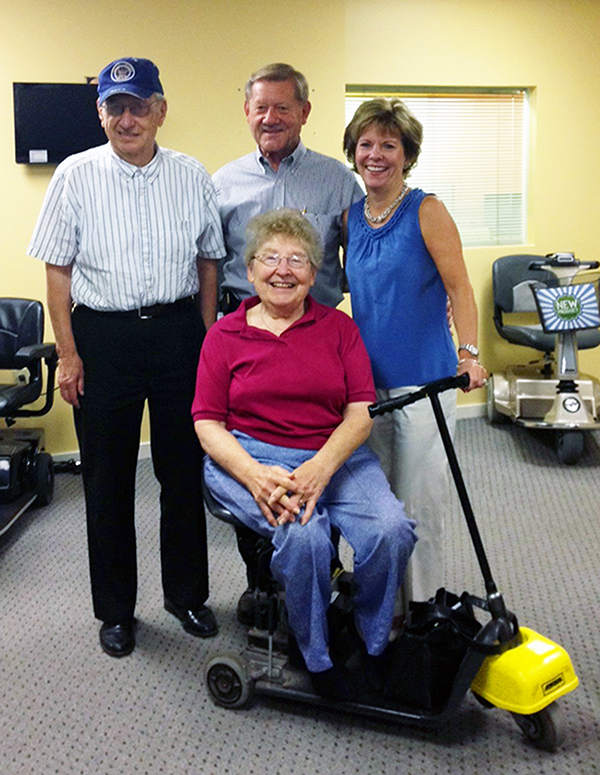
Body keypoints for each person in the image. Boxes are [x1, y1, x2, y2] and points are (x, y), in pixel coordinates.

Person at [27, 57, 226, 657]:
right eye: (116, 106)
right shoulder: (74, 175)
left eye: (139, 104)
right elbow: (57, 272)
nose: (128, 118)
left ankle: (186, 596)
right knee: (107, 481)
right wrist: (68, 354)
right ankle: (115, 610)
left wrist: (207, 337)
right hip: (102, 341)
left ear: (161, 110)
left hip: (177, 335)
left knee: (182, 473)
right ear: (100, 113)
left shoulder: (192, 175)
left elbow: (209, 261)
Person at [192, 209, 417, 699]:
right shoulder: (224, 335)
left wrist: (321, 466)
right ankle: (316, 656)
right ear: (249, 271)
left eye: (297, 260)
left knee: (391, 530)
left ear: (314, 275)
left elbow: (360, 413)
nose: (283, 270)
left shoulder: (338, 329)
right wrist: (253, 475)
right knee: (305, 538)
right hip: (249, 455)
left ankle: (372, 640)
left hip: (332, 452)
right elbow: (207, 424)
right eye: (269, 258)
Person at [343, 98, 488, 605]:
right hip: (367, 387)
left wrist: (468, 354)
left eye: (389, 145)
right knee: (377, 504)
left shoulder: (427, 209)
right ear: (353, 152)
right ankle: (383, 607)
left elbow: (460, 289)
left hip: (424, 383)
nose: (376, 154)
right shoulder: (350, 219)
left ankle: (423, 606)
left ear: (407, 154)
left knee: (418, 504)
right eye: (366, 144)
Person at [213, 62, 363, 311]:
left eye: (282, 108)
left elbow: (365, 260)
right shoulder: (222, 183)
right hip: (242, 326)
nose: (270, 119)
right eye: (261, 108)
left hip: (316, 328)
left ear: (304, 112)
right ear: (247, 111)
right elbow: (210, 266)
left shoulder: (338, 181)